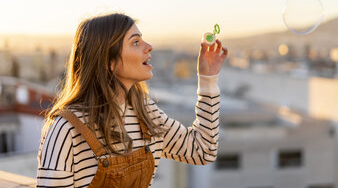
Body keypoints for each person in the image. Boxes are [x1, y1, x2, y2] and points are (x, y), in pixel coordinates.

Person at [36, 13, 228, 187]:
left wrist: (208, 79)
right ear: (108, 62)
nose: (149, 46)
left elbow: (202, 150)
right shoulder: (65, 129)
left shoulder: (146, 113)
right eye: (135, 42)